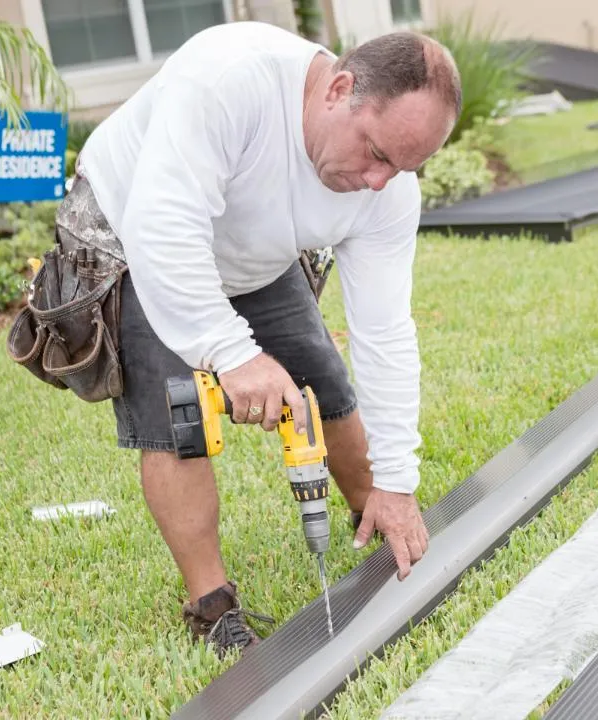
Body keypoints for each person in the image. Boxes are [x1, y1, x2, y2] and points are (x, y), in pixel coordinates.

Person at [56, 20, 460, 657]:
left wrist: (400, 480)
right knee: (177, 414)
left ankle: (376, 520)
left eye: (404, 168)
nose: (381, 180)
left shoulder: (388, 187)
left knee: (323, 383)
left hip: (253, 251)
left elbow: (383, 334)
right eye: (377, 153)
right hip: (137, 231)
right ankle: (213, 608)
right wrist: (234, 355)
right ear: (340, 90)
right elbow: (166, 230)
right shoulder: (229, 79)